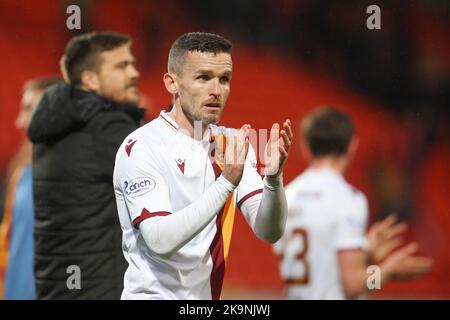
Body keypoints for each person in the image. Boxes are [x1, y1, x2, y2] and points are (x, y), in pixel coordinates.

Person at [113, 32, 293, 300]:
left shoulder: (230, 143)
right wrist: (226, 183)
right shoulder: (141, 146)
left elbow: (269, 231)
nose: (216, 91)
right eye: (203, 78)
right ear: (172, 83)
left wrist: (273, 180)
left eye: (224, 79)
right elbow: (159, 240)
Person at [28, 32, 145, 299]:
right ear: (90, 79)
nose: (134, 73)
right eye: (121, 66)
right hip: (100, 288)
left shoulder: (56, 123)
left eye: (132, 63)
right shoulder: (107, 125)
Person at [273, 107, 433, 299]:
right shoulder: (348, 199)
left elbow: (319, 266)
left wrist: (365, 254)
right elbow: (353, 285)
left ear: (305, 147)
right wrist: (386, 272)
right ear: (352, 146)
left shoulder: (286, 195)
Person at [0, 77, 61, 299]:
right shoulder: (20, 175)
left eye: (28, 109)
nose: (19, 121)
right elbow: (7, 244)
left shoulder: (80, 178)